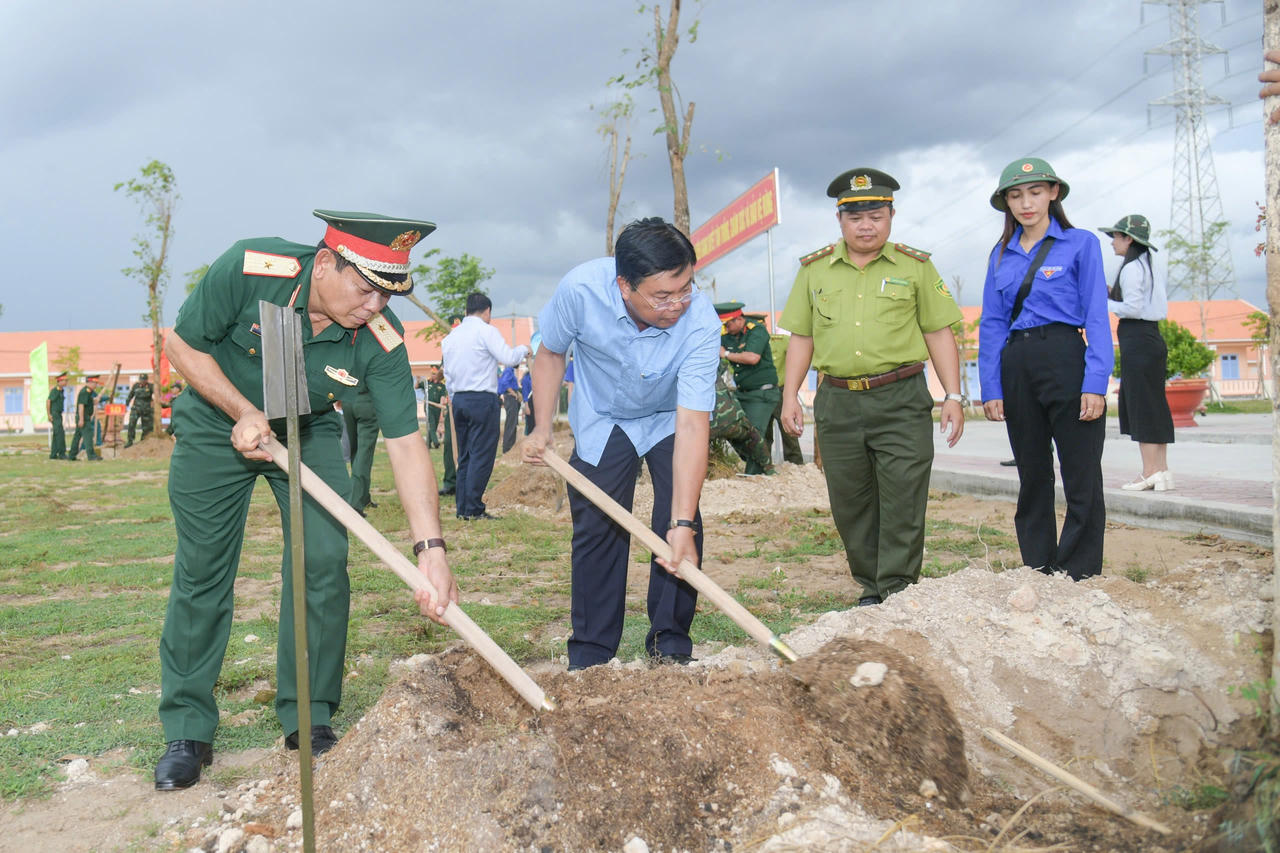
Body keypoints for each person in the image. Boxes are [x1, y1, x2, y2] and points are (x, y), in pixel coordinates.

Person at [153, 209, 458, 792]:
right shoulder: (252, 269)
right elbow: (182, 345)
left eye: (387, 295)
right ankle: (187, 729)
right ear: (325, 264)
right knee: (204, 568)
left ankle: (309, 716)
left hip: (305, 428)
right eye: (366, 289)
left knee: (322, 562)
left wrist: (431, 548)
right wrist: (242, 411)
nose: (375, 307)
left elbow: (406, 443)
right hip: (218, 419)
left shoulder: (380, 339)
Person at [523, 217, 719, 669]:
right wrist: (542, 426)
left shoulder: (701, 322)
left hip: (670, 415)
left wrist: (683, 523)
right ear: (624, 286)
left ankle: (669, 644)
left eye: (686, 288)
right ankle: (591, 653)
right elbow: (550, 352)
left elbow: (692, 426)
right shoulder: (580, 291)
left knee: (681, 522)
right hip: (604, 415)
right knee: (597, 525)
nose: (678, 304)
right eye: (663, 296)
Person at [780, 168, 965, 606]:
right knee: (851, 502)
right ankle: (871, 586)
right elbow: (802, 337)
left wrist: (953, 396)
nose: (867, 225)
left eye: (876, 216)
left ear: (891, 215)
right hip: (837, 401)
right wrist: (790, 394)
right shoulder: (814, 270)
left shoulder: (916, 267)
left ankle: (897, 590)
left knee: (903, 496)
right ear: (840, 221)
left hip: (900, 398)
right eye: (856, 217)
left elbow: (939, 332)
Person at [978, 158, 1113, 581]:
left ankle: (1077, 570)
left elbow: (1096, 315)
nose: (1026, 203)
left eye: (1035, 192)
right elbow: (993, 323)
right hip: (1017, 363)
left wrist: (1095, 382)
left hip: (1065, 356)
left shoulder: (1081, 243)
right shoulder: (1000, 253)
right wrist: (991, 386)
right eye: (1015, 195)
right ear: (1006, 203)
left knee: (1081, 471)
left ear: (1053, 192)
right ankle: (1036, 566)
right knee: (1032, 470)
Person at [1101, 215, 1175, 492]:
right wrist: (1114, 296)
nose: (1112, 242)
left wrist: (1105, 301)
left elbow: (1132, 307)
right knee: (1154, 403)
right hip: (1152, 336)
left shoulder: (1131, 268)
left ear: (1129, 239)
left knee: (1142, 404)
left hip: (1138, 338)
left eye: (1117, 236)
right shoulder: (1149, 264)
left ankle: (1148, 472)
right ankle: (1162, 471)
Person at [440, 293, 528, 520]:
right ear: (487, 311)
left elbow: (448, 375)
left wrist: (453, 397)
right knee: (482, 454)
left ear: (467, 310)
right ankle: (474, 508)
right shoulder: (486, 331)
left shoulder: (451, 337)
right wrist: (524, 349)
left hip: (458, 399)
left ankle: (463, 508)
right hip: (481, 399)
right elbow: (508, 357)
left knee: (466, 455)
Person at [715, 301, 780, 474]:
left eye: (728, 324)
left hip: (763, 392)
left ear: (738, 319)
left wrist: (726, 354)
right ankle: (759, 465)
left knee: (755, 431)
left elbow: (752, 357)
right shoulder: (726, 336)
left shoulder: (756, 330)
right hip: (742, 393)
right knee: (732, 429)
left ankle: (755, 473)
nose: (726, 328)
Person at [711, 372, 775, 474]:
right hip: (732, 417)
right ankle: (769, 469)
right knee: (752, 437)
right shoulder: (710, 362)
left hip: (708, 423)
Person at [342, 387, 380, 514]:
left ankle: (363, 497)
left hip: (348, 400)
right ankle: (355, 503)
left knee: (356, 452)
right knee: (363, 454)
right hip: (366, 400)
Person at [68, 375, 102, 461]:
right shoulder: (84, 392)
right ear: (89, 382)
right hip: (83, 418)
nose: (96, 385)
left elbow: (88, 403)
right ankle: (91, 456)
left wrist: (95, 401)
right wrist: (81, 419)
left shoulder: (89, 392)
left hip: (84, 417)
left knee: (77, 437)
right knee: (88, 436)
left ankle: (72, 455)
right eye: (95, 383)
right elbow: (81, 406)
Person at [125, 373, 155, 447]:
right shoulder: (136, 386)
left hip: (146, 409)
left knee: (147, 426)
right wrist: (127, 403)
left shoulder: (151, 386)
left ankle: (144, 440)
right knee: (131, 424)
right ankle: (130, 440)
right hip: (136, 408)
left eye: (144, 380)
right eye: (141, 380)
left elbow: (156, 395)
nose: (142, 381)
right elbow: (131, 395)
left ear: (146, 380)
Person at [498, 364, 522, 453]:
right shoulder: (508, 370)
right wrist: (513, 393)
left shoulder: (511, 370)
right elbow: (504, 382)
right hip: (510, 398)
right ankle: (507, 448)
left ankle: (511, 446)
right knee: (510, 423)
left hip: (512, 397)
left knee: (513, 422)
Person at [422, 365, 445, 448]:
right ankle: (436, 442)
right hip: (428, 407)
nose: (433, 375)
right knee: (432, 424)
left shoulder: (442, 386)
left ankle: (428, 444)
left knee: (434, 426)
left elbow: (442, 397)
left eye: (435, 374)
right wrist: (417, 380)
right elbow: (416, 386)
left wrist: (441, 405)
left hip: (437, 408)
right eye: (432, 373)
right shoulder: (427, 383)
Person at [48, 372, 69, 460]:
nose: (66, 382)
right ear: (59, 381)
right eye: (65, 380)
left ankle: (53, 454)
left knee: (57, 434)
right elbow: (48, 401)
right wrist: (49, 414)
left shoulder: (61, 390)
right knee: (60, 433)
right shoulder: (55, 390)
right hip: (55, 414)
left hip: (59, 414)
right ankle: (62, 453)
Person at [520, 358, 535, 436]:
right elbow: (525, 393)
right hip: (529, 402)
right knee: (530, 425)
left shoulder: (538, 376)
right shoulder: (526, 378)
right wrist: (526, 406)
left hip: (537, 403)